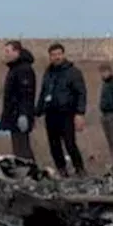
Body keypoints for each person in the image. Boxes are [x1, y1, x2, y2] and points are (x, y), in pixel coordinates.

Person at [36, 43, 87, 177]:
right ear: (50, 57)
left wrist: (80, 113)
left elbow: (81, 93)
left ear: (63, 55)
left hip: (66, 114)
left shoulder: (73, 72)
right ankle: (62, 170)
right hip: (51, 114)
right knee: (54, 145)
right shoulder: (48, 73)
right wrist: (38, 110)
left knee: (70, 144)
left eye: (59, 54)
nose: (56, 57)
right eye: (53, 55)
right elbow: (43, 92)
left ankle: (80, 169)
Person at [0, 41, 36, 161]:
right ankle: (25, 172)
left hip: (19, 114)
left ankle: (31, 172)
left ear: (17, 52)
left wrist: (24, 114)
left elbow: (26, 94)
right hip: (13, 114)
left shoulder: (24, 69)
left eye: (8, 51)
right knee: (18, 148)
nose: (6, 54)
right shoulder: (15, 68)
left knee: (23, 148)